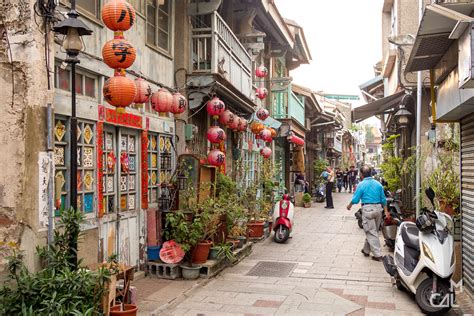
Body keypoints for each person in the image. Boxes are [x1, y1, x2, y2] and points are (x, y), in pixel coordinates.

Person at [346, 165, 389, 261]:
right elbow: (383, 199)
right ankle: (366, 250)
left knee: (371, 232)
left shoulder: (361, 184)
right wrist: (386, 211)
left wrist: (349, 205)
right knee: (373, 231)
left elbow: (356, 199)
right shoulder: (378, 184)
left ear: (361, 174)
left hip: (368, 210)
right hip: (378, 209)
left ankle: (377, 255)